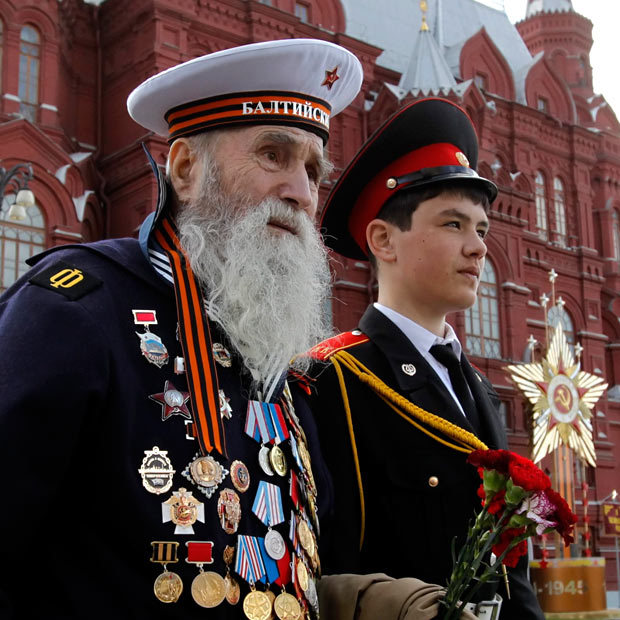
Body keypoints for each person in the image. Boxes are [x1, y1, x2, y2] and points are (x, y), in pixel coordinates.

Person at [0, 39, 363, 619]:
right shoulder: (79, 311)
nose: (300, 191)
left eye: (312, 170)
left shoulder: (279, 369)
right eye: (274, 154)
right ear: (187, 170)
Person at [299, 98, 545, 619]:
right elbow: (326, 564)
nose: (478, 247)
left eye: (481, 229)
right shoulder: (334, 380)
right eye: (453, 224)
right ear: (384, 240)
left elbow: (510, 567)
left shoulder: (476, 387)